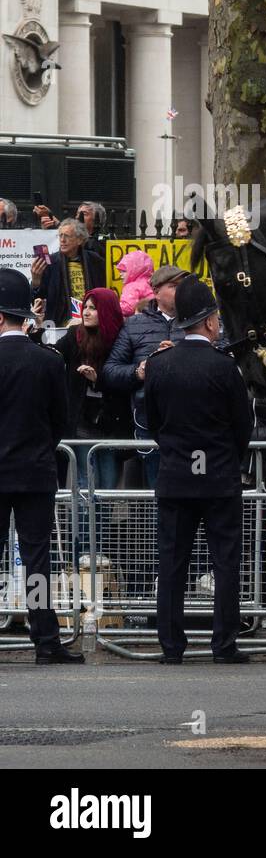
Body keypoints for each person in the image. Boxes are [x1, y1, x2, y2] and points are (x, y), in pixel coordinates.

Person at [144, 275, 253, 664]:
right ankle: (224, 645)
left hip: (175, 477)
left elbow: (154, 422)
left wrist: (177, 451)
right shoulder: (225, 367)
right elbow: (243, 426)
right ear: (208, 322)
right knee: (225, 564)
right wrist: (226, 457)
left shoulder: (159, 365)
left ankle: (171, 646)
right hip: (220, 477)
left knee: (172, 565)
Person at [0, 268, 81, 663]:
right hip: (34, 471)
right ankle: (45, 640)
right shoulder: (47, 361)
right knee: (37, 561)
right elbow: (61, 422)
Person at [101, 265, 188, 486]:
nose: (182, 291)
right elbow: (110, 371)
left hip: (192, 419)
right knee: (157, 491)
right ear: (156, 291)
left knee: (192, 492)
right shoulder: (134, 325)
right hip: (150, 422)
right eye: (174, 286)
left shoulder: (200, 320)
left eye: (185, 286)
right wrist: (139, 372)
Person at [55, 288, 131, 492]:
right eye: (85, 307)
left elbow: (126, 380)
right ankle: (85, 526)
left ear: (106, 311)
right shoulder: (75, 335)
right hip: (81, 420)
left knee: (108, 484)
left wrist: (99, 380)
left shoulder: (121, 340)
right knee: (84, 482)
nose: (86, 312)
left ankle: (101, 525)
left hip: (110, 422)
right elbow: (52, 356)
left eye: (93, 308)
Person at [29, 219, 106, 327]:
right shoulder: (51, 262)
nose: (62, 240)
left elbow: (103, 290)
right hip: (60, 324)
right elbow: (38, 301)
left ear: (79, 240)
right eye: (60, 236)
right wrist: (36, 281)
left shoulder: (94, 260)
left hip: (90, 321)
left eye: (67, 236)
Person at [115, 250, 156, 317]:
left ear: (136, 270)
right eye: (120, 271)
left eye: (124, 271)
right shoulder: (151, 283)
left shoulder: (132, 287)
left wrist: (113, 308)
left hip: (137, 322)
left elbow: (127, 308)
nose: (120, 274)